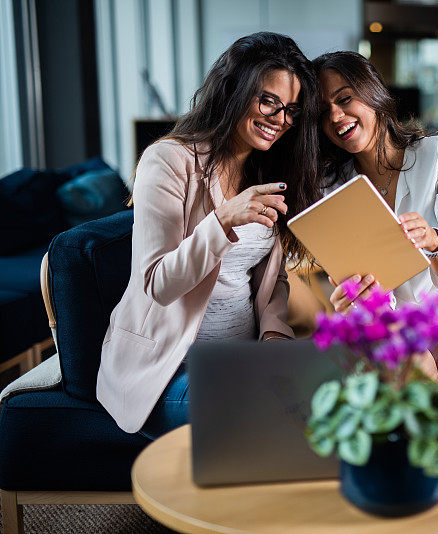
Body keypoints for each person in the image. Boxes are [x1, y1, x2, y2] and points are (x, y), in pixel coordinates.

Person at [97, 32, 321, 438]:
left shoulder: (269, 170)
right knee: (259, 419)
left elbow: (269, 278)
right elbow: (158, 285)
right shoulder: (169, 160)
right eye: (268, 100)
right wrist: (221, 222)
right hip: (171, 366)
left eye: (290, 109)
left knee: (328, 400)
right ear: (235, 89)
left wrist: (273, 332)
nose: (279, 118)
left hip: (244, 359)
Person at [312, 51, 438, 380]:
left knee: (408, 360)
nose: (335, 116)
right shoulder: (331, 187)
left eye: (345, 99)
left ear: (372, 92)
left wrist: (432, 240)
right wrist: (352, 298)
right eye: (322, 112)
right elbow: (356, 290)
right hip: (381, 330)